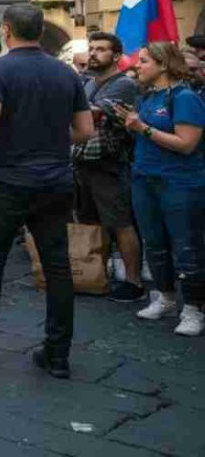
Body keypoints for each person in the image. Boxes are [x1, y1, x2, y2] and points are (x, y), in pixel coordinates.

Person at [0, 3, 93, 379]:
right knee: (56, 265)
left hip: (9, 178)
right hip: (55, 179)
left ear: (6, 31)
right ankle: (57, 353)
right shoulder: (65, 71)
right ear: (41, 31)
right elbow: (86, 131)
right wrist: (49, 142)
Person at [114, 42, 205, 337]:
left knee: (186, 248)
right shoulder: (148, 96)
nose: (136, 66)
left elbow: (187, 144)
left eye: (143, 61)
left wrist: (143, 129)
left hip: (179, 183)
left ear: (163, 65)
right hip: (144, 178)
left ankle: (193, 308)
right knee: (153, 243)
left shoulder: (186, 97)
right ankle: (165, 297)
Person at [73, 33, 145, 303]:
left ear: (116, 57)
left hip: (110, 163)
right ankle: (95, 274)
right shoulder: (90, 83)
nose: (93, 54)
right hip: (84, 161)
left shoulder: (123, 84)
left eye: (100, 50)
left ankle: (133, 282)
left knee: (120, 223)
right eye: (91, 49)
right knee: (90, 222)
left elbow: (92, 114)